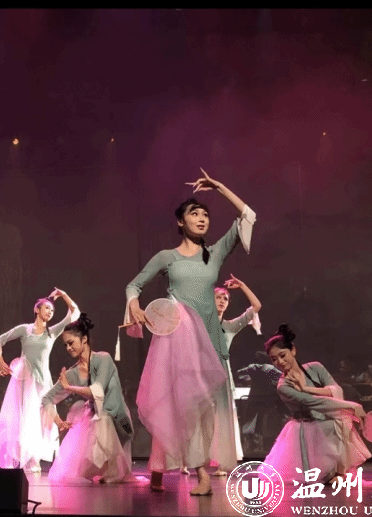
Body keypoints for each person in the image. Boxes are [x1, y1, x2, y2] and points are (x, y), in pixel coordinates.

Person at [124, 168, 256, 494]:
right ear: (180, 222)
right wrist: (134, 305)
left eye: (205, 215)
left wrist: (220, 187)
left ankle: (167, 470)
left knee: (200, 406)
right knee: (179, 402)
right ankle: (194, 474)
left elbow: (248, 215)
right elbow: (133, 285)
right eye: (194, 214)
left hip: (208, 338)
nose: (202, 219)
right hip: (177, 338)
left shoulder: (215, 253)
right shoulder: (167, 257)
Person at [263, 324, 371, 486]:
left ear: (293, 350)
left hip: (328, 422)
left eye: (283, 355)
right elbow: (314, 402)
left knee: (340, 421)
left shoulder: (315, 367)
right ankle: (328, 474)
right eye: (274, 359)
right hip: (307, 428)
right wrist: (352, 406)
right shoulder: (284, 386)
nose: (280, 362)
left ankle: (339, 472)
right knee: (335, 421)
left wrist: (306, 388)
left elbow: (336, 390)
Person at [0, 289, 79, 472]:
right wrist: (1, 362)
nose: (50, 312)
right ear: (36, 309)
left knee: (41, 418)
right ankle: (24, 457)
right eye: (47, 308)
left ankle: (34, 457)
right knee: (25, 418)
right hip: (25, 381)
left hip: (43, 381)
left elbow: (74, 313)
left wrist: (63, 295)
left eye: (52, 310)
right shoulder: (25, 329)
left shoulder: (52, 332)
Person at [42, 314, 134, 484]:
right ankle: (99, 471)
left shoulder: (104, 359)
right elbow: (47, 399)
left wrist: (69, 387)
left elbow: (97, 391)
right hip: (99, 421)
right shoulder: (72, 373)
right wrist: (58, 421)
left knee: (102, 417)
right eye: (66, 345)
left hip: (120, 420)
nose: (68, 348)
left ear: (84, 339)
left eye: (71, 343)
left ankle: (111, 470)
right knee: (97, 417)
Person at [208, 275, 261, 474]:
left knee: (223, 419)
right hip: (201, 374)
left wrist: (243, 285)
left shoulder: (230, 326)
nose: (222, 301)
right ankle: (191, 461)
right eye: (218, 297)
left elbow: (256, 306)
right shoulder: (200, 323)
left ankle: (222, 462)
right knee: (199, 418)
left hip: (222, 376)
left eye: (226, 298)